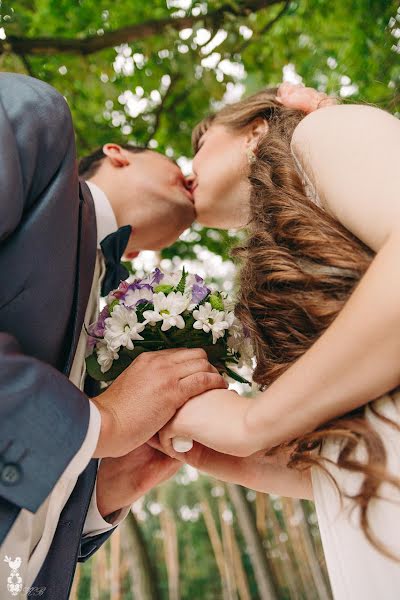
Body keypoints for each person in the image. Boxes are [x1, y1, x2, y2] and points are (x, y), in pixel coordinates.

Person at [155, 83, 400, 598]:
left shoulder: (323, 132)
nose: (188, 165)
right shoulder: (284, 237)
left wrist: (255, 421)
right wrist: (268, 462)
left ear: (256, 128)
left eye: (199, 143)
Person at [0, 73, 227, 599]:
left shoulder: (109, 317)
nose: (190, 175)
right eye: (177, 163)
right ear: (118, 154)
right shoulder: (36, 118)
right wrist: (103, 422)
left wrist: (103, 490)